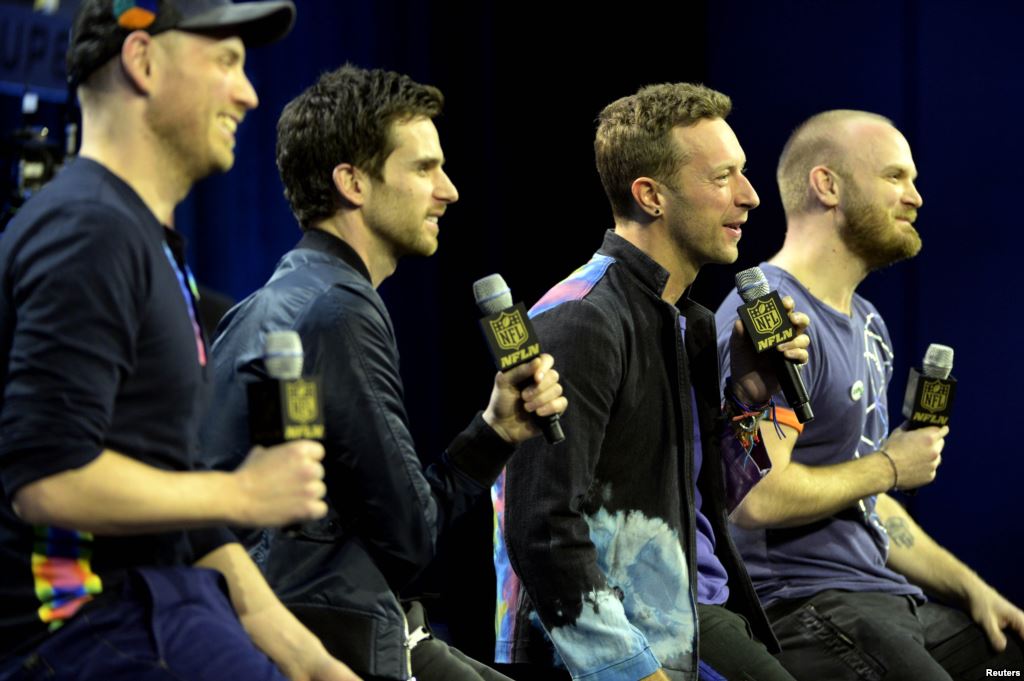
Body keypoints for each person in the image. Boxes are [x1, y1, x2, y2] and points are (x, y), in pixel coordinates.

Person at [0, 2, 359, 679]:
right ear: (142, 61)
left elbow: (180, 514)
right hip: (78, 630)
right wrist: (242, 494)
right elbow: (46, 479)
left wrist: (313, 661)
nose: (250, 91)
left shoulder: (142, 240)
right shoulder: (88, 229)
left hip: (154, 604)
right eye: (226, 61)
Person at [199, 64, 568, 681]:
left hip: (291, 619)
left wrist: (496, 432)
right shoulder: (341, 309)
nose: (448, 190)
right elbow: (409, 537)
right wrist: (485, 446)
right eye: (424, 168)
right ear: (353, 183)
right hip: (316, 634)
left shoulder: (278, 299)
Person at [492, 82, 810, 681]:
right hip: (618, 641)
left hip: (693, 615)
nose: (750, 196)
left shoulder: (689, 322)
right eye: (723, 178)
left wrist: (749, 398)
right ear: (651, 196)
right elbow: (541, 526)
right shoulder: (579, 319)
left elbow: (704, 504)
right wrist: (632, 670)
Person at [715, 109, 1024, 679]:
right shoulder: (772, 321)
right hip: (804, 603)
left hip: (888, 599)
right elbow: (757, 497)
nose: (916, 198)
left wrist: (975, 589)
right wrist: (888, 465)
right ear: (827, 185)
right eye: (895, 177)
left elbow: (863, 490)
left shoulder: (870, 324)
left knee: (1012, 658)